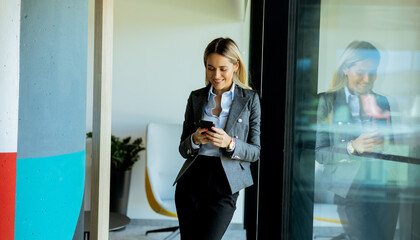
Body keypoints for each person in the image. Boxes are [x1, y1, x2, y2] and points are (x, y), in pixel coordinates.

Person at [174, 37, 261, 240]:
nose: (216, 75)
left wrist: (230, 143)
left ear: (235, 66)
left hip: (225, 182)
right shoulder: (196, 98)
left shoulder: (250, 100)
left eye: (223, 68)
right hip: (192, 179)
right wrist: (195, 139)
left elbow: (255, 152)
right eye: (210, 68)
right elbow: (182, 149)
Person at [315, 41, 400, 240]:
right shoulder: (327, 101)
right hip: (350, 191)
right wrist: (353, 147)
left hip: (384, 190)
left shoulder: (382, 101)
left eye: (373, 72)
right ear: (346, 68)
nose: (367, 78)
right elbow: (320, 153)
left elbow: (392, 147)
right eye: (361, 71)